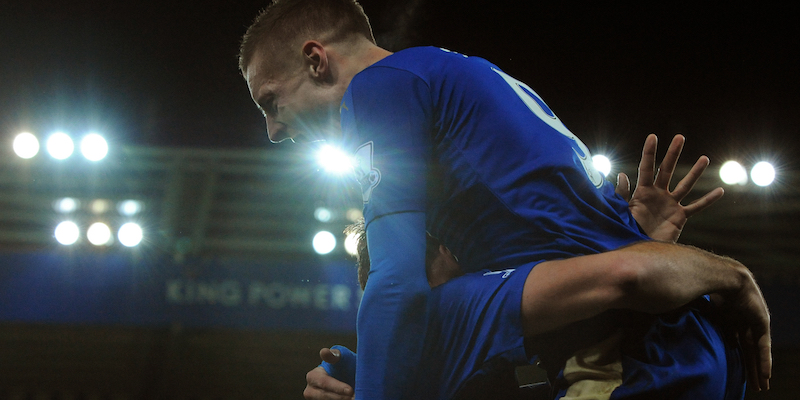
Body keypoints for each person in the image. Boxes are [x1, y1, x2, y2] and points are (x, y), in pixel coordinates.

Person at [238, 1, 771, 398]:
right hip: (685, 336)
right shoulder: (467, 76)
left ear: (315, 61)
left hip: (626, 359)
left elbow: (396, 282)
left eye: (270, 101)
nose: (272, 130)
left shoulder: (378, 88)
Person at [304, 135, 767, 400]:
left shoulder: (409, 354)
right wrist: (735, 277)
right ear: (439, 253)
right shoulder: (458, 301)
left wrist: (635, 243)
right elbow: (627, 277)